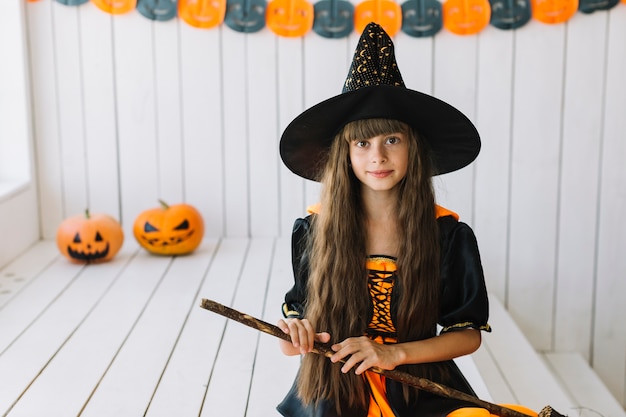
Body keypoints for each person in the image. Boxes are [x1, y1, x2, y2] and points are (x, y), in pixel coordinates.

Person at [275, 22, 535, 417]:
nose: (377, 156)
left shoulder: (447, 235)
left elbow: (466, 336)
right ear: (344, 155)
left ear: (414, 148)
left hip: (418, 387)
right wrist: (296, 333)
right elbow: (294, 337)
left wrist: (392, 353)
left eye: (391, 140)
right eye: (362, 143)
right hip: (335, 393)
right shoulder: (313, 230)